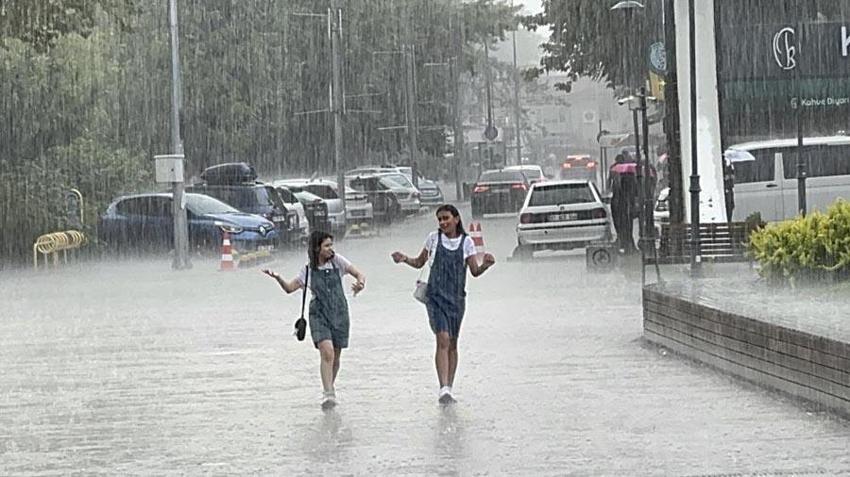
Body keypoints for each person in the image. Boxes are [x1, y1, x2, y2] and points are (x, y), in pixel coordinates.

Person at [391, 204, 495, 404]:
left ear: (456, 219)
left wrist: (486, 265)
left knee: (453, 343)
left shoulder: (467, 243)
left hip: (456, 300)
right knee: (443, 339)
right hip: (435, 297)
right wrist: (404, 258)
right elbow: (419, 262)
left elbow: (474, 271)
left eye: (446, 218)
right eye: (439, 219)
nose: (443, 223)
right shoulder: (433, 239)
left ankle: (449, 386)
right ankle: (443, 388)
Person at [262, 230, 366, 410]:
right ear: (317, 248)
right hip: (319, 314)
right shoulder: (308, 270)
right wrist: (278, 277)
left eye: (331, 245)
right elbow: (289, 288)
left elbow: (359, 274)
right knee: (327, 352)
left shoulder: (338, 261)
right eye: (326, 246)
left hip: (340, 313)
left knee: (336, 356)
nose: (330, 249)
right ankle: (328, 394)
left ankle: (330, 387)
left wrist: (360, 284)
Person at [609, 154, 639, 253]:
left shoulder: (614, 170)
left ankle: (624, 242)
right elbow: (635, 191)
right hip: (625, 205)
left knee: (621, 225)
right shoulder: (630, 173)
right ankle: (627, 243)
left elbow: (610, 186)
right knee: (627, 225)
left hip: (620, 205)